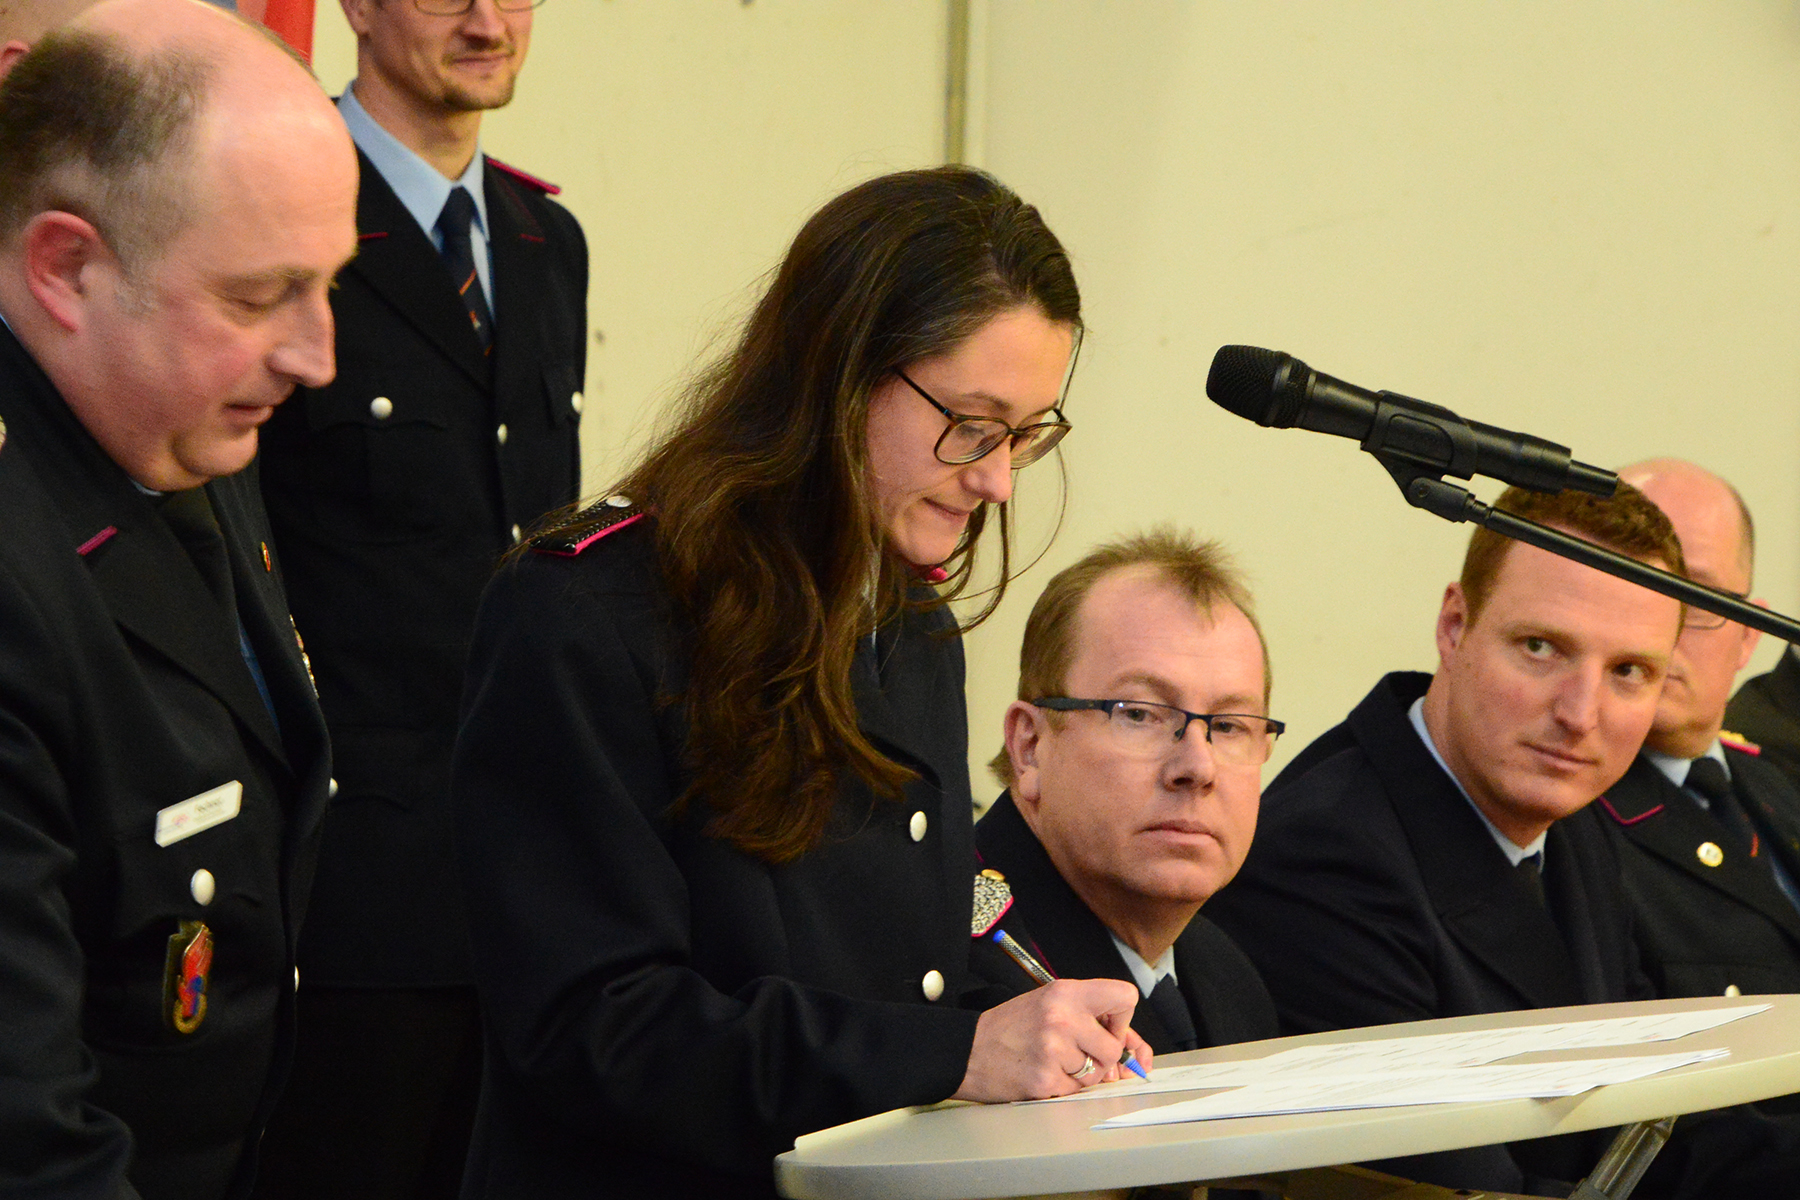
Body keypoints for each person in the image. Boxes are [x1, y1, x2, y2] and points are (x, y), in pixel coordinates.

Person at [451, 166, 1153, 1199]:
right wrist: (955, 1055)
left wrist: (1034, 1033)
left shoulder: (908, 618)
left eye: (1026, 435)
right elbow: (595, 1027)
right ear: (839, 373)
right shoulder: (588, 611)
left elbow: (902, 962)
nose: (998, 479)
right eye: (971, 424)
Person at [0, 2, 357, 1197]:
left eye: (330, 286)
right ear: (68, 267)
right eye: (260, 297)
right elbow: (27, 1138)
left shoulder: (179, 418)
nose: (317, 358)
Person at [1205, 484, 1800, 1197]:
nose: (1581, 714)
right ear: (1454, 626)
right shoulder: (1322, 859)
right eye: (1541, 648)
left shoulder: (1567, 819)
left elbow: (1659, 1126)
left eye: (1628, 672)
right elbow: (1461, 1190)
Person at [252, 0, 586, 1194]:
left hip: (526, 878)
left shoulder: (544, 240)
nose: (489, 18)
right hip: (351, 886)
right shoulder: (285, 220)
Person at [975, 530, 1278, 1054]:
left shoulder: (1228, 974)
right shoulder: (960, 976)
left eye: (1229, 726)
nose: (1198, 767)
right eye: (1139, 714)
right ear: (1030, 747)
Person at [1594, 459, 1800, 1005]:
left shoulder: (1773, 781)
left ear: (1749, 634)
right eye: (1630, 583)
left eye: (1696, 598)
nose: (1658, 629)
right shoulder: (1555, 814)